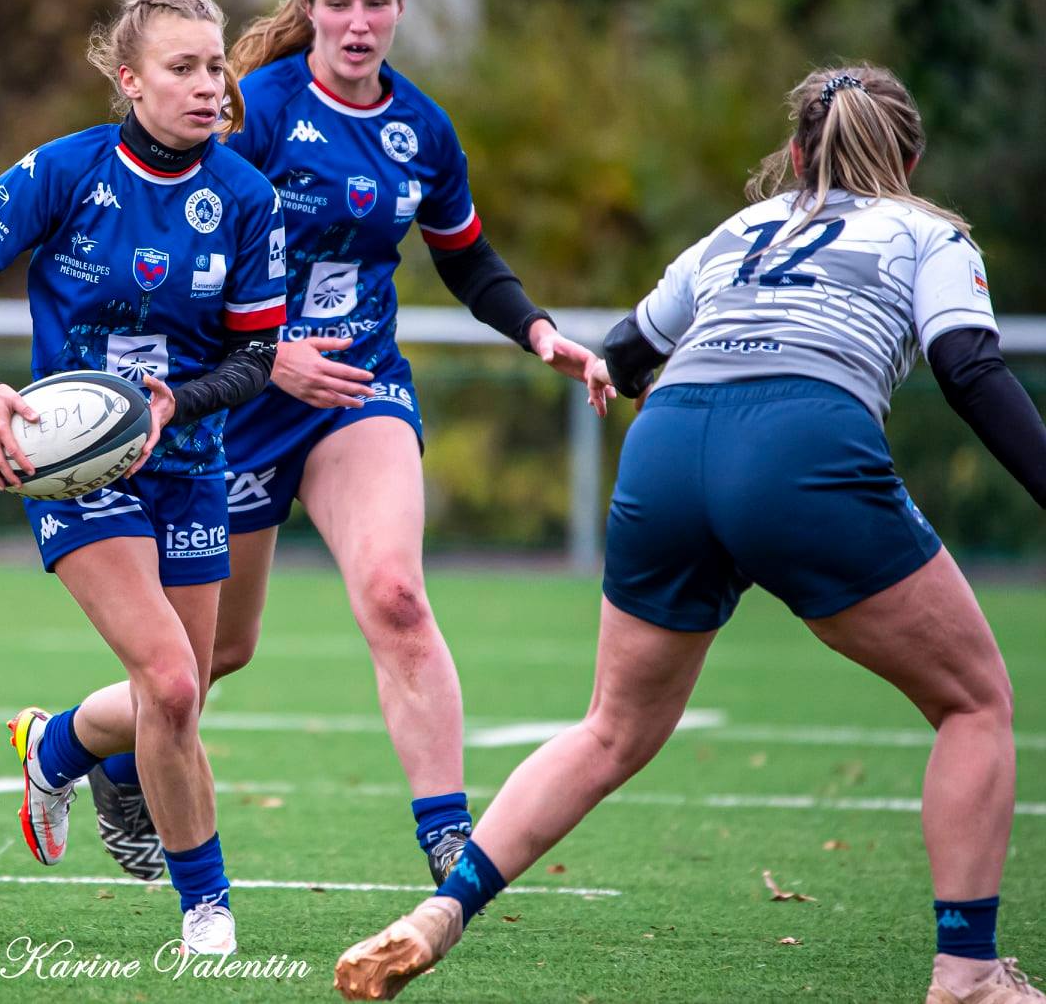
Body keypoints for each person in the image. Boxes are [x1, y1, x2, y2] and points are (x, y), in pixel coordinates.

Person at [335, 64, 1046, 1003]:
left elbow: (630, 351)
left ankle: (444, 908)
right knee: (974, 703)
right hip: (801, 446)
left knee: (611, 729)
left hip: (667, 446)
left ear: (794, 154)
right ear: (910, 159)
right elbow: (968, 368)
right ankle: (966, 973)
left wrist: (614, 378)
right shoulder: (928, 230)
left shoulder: (739, 228)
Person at [77, 0, 603, 887]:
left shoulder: (422, 131)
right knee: (212, 662)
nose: (359, 23)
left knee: (397, 596)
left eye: (377, 4)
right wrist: (269, 360)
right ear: (309, 10)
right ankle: (86, 754)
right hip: (233, 407)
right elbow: (190, 261)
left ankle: (449, 836)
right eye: (339, 4)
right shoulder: (255, 112)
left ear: (400, 10)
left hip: (358, 392)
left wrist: (538, 331)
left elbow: (467, 256)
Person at [0, 0, 288, 957]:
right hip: (79, 472)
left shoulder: (245, 198)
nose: (209, 86)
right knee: (166, 683)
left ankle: (57, 746)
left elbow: (257, 357)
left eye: (217, 67)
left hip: (194, 465)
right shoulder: (69, 171)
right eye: (183, 67)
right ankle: (208, 909)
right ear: (130, 79)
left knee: (186, 690)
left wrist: (178, 404)